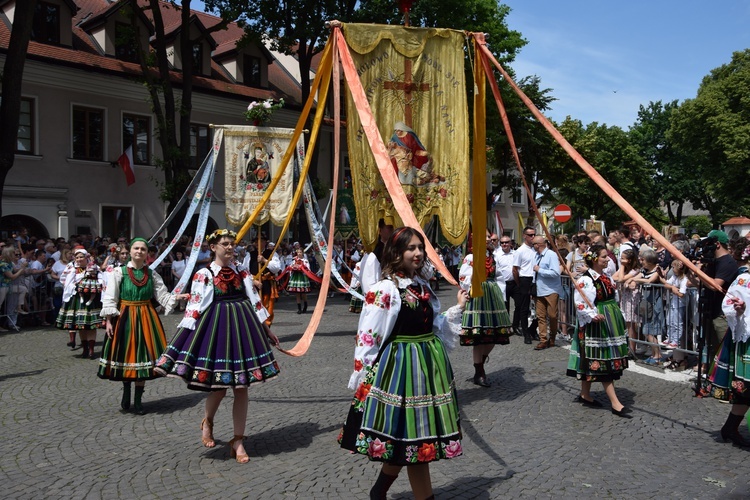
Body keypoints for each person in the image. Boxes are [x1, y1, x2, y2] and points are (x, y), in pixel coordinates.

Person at [339, 227, 468, 499]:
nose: (418, 253)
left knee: (404, 439)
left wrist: (456, 308)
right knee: (417, 445)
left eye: (420, 247)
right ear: (397, 253)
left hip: (427, 368)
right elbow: (368, 337)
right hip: (400, 370)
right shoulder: (385, 289)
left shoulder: (421, 286)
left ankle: (379, 491)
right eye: (411, 248)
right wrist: (362, 377)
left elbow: (431, 325)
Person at [155, 229, 280, 463]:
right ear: (213, 248)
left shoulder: (242, 271)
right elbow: (194, 308)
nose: (230, 248)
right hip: (217, 330)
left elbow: (254, 301)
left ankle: (238, 440)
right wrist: (179, 344)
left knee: (242, 386)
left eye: (232, 244)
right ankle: (208, 421)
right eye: (225, 244)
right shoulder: (204, 274)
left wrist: (266, 329)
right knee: (219, 387)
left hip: (243, 328)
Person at [97, 238, 179, 415]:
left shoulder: (152, 274)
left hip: (146, 317)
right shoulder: (119, 272)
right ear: (130, 251)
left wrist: (177, 298)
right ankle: (126, 391)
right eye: (136, 248)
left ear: (147, 253)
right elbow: (110, 297)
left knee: (143, 357)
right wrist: (109, 321)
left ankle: (138, 399)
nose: (139, 252)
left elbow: (162, 296)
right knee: (127, 355)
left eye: (143, 249)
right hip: (125, 317)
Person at [567, 245, 631, 417]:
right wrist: (592, 315)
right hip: (596, 324)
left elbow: (613, 298)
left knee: (592, 359)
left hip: (610, 321)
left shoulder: (605, 276)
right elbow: (580, 302)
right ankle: (615, 403)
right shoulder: (586, 280)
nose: (607, 259)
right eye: (604, 257)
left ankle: (585, 394)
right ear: (595, 259)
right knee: (602, 359)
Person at [704, 244, 750, 446]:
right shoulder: (744, 280)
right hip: (747, 341)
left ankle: (730, 428)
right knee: (746, 389)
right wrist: (741, 307)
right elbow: (729, 305)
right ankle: (730, 428)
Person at [458, 231, 512, 386]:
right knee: (478, 336)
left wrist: (500, 295)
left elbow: (499, 277)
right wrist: (472, 285)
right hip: (478, 297)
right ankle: (479, 371)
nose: (489, 239)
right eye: (486, 236)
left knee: (495, 335)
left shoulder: (493, 257)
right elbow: (463, 277)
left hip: (492, 297)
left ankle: (480, 362)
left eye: (489, 237)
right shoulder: (471, 257)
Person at [55, 248, 104, 359]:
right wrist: (75, 287)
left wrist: (96, 285)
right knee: (81, 325)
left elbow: (102, 278)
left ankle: (91, 350)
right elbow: (66, 281)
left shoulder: (93, 267)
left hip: (91, 297)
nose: (79, 259)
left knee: (91, 326)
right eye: (77, 257)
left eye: (81, 257)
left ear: (86, 257)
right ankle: (85, 349)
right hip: (77, 297)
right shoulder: (73, 268)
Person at [631, 248, 664, 365]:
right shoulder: (644, 270)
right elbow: (636, 276)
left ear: (649, 260)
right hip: (647, 302)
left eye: (643, 259)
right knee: (647, 330)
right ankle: (654, 354)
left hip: (654, 303)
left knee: (649, 331)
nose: (641, 261)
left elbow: (649, 281)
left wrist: (636, 280)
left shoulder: (656, 271)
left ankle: (658, 355)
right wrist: (634, 280)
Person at [532, 236, 563, 350]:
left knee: (552, 315)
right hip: (539, 290)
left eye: (534, 243)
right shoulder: (536, 256)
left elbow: (555, 273)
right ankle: (543, 340)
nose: (533, 246)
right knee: (541, 316)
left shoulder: (551, 255)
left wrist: (540, 270)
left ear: (539, 244)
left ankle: (553, 337)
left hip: (551, 290)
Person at [612, 249, 641, 355]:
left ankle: (632, 349)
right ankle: (630, 347)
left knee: (631, 323)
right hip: (624, 297)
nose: (621, 260)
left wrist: (622, 267)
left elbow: (620, 279)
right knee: (627, 323)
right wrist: (622, 269)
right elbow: (614, 277)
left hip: (632, 298)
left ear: (629, 260)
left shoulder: (635, 270)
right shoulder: (624, 269)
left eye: (623, 258)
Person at [512, 227, 537, 344]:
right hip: (524, 279)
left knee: (541, 306)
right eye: (530, 235)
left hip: (536, 279)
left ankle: (533, 328)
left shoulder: (536, 249)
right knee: (524, 308)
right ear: (524, 236)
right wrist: (519, 283)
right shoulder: (520, 251)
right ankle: (526, 333)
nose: (532, 237)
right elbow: (515, 269)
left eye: (534, 235)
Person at [287, 247, 311, 314]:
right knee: (297, 293)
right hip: (296, 277)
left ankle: (305, 305)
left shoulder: (305, 260)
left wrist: (302, 268)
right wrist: (293, 268)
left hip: (302, 277)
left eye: (300, 252)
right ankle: (299, 308)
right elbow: (291, 267)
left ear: (302, 253)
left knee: (303, 293)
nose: (299, 254)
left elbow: (308, 268)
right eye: (298, 252)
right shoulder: (294, 260)